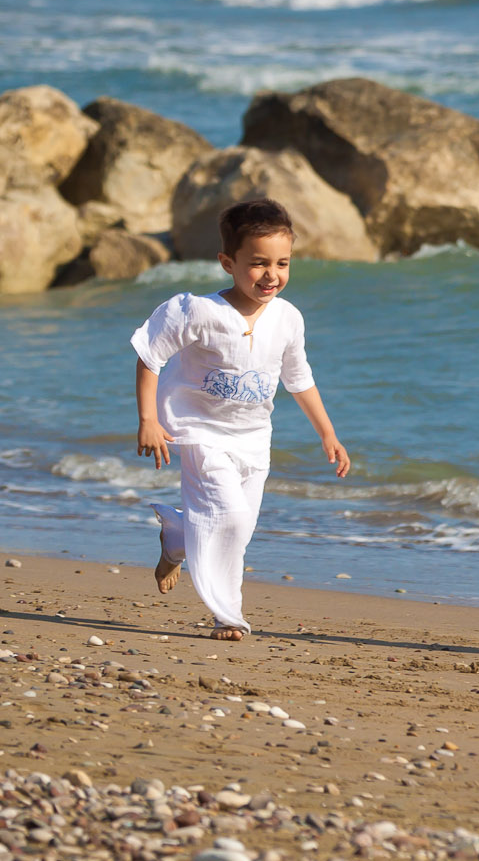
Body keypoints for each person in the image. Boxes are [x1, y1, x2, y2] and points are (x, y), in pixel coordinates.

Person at [131, 199, 349, 641]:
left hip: (253, 438)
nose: (272, 275)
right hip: (198, 432)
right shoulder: (197, 312)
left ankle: (176, 539)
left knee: (239, 529)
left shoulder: (288, 318)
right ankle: (228, 616)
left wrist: (328, 433)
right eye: (258, 264)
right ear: (228, 263)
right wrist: (147, 419)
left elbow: (298, 378)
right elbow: (149, 356)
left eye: (282, 263)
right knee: (226, 516)